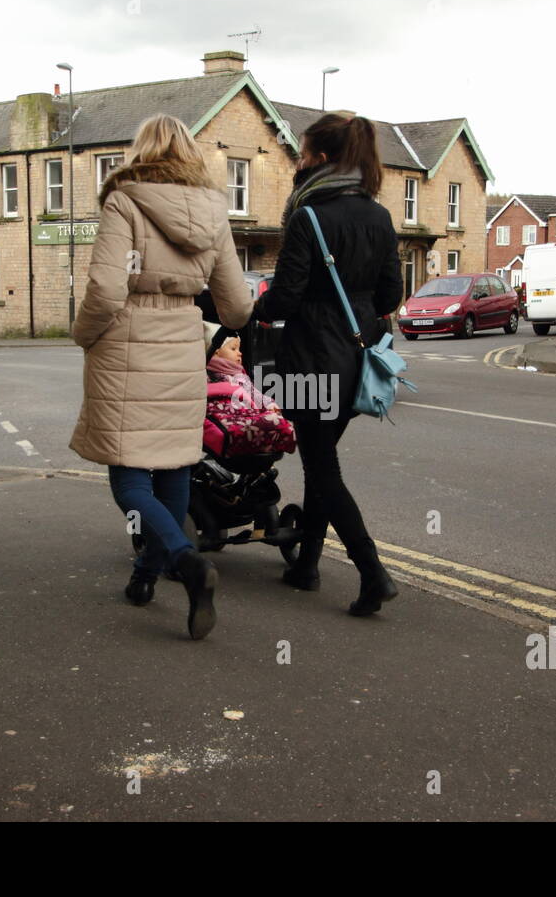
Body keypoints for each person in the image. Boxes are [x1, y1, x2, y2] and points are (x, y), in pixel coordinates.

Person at [70, 114, 251, 640]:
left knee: (128, 475)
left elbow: (105, 292)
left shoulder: (124, 201)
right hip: (180, 347)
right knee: (172, 466)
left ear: (140, 150)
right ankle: (146, 578)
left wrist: (84, 335)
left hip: (126, 343)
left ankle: (186, 560)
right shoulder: (214, 212)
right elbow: (237, 307)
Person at [252, 114, 403, 617]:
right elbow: (390, 295)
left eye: (301, 152)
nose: (297, 160)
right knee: (322, 463)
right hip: (358, 360)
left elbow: (286, 297)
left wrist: (255, 310)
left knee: (322, 467)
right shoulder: (379, 216)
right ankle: (307, 565)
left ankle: (372, 573)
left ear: (317, 158)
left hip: (311, 360)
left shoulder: (309, 217)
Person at [204, 327, 295, 457]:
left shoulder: (238, 375)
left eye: (239, 349)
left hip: (240, 416)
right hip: (224, 416)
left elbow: (255, 394)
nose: (240, 353)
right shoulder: (227, 376)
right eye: (233, 349)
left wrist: (269, 404)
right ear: (216, 351)